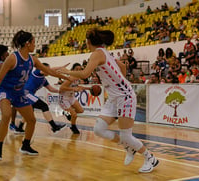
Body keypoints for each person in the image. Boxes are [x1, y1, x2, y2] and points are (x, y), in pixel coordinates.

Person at [58, 28, 159, 173]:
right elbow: (123, 66)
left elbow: (85, 74)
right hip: (114, 96)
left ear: (88, 41)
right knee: (99, 129)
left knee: (126, 135)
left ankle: (150, 158)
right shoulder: (105, 52)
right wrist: (120, 81)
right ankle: (128, 147)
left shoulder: (97, 54)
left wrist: (67, 72)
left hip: (125, 97)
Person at [0, 30, 69, 160]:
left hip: (19, 92)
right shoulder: (12, 58)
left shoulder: (33, 60)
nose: (35, 45)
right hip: (5, 90)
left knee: (32, 120)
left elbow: (48, 71)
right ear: (27, 44)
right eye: (33, 42)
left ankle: (26, 145)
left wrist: (66, 75)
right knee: (6, 115)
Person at [16, 63, 67, 133]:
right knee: (44, 106)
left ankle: (19, 127)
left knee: (30, 111)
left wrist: (60, 91)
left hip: (28, 94)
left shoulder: (44, 80)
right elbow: (46, 70)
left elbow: (51, 89)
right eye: (47, 69)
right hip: (26, 93)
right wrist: (60, 67)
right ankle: (54, 127)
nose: (49, 71)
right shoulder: (37, 72)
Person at [0, 44, 24, 134]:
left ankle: (11, 123)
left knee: (15, 107)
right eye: (7, 54)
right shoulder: (1, 65)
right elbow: (0, 79)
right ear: (3, 56)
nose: (8, 56)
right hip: (4, 90)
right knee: (8, 111)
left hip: (12, 89)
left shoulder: (5, 63)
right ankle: (6, 122)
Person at [59, 63, 89, 134]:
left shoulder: (77, 78)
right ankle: (73, 127)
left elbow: (78, 87)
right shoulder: (70, 78)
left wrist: (89, 88)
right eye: (76, 69)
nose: (78, 71)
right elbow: (61, 88)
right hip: (64, 98)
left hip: (71, 97)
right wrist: (73, 89)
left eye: (80, 69)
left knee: (80, 110)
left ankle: (67, 113)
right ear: (72, 70)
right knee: (74, 115)